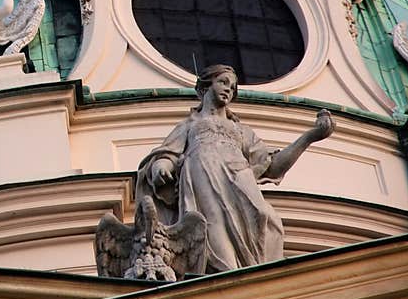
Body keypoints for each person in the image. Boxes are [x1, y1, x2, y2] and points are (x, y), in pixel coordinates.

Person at [136, 64, 334, 272]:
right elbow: (167, 152)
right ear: (205, 87)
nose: (228, 90)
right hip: (203, 174)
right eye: (223, 82)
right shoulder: (190, 125)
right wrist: (161, 165)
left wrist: (309, 137)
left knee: (267, 219)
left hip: (240, 178)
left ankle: (253, 276)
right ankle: (227, 274)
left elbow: (273, 167)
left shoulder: (242, 131)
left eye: (232, 87)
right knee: (212, 224)